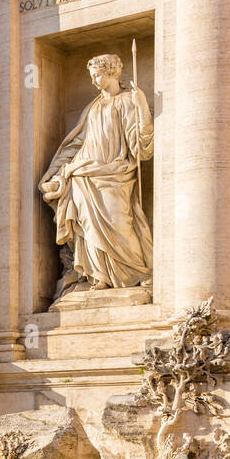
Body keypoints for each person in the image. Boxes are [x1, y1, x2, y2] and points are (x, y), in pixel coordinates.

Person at [39, 53, 154, 293]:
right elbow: (77, 142)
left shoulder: (127, 101)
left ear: (112, 72)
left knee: (119, 220)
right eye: (91, 76)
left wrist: (142, 105)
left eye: (98, 75)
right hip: (83, 173)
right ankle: (97, 274)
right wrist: (55, 170)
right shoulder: (93, 106)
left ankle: (138, 270)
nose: (93, 81)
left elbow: (141, 146)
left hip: (115, 172)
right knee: (88, 225)